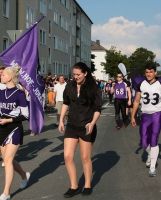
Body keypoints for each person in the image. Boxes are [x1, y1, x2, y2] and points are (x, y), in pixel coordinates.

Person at [58, 62, 102, 198]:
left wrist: (93, 123)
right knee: (67, 156)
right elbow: (66, 102)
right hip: (71, 125)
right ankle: (74, 186)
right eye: (74, 74)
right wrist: (61, 120)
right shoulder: (70, 86)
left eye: (78, 74)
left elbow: (97, 108)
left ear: (85, 73)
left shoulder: (93, 87)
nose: (75, 77)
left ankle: (87, 184)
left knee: (85, 157)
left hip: (86, 126)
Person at [0, 66, 30, 200]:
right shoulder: (1, 92)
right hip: (3, 129)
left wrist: (8, 120)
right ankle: (24, 175)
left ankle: (6, 193)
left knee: (7, 160)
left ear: (10, 77)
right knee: (8, 160)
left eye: (3, 74)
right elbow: (0, 112)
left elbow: (26, 115)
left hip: (15, 129)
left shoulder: (19, 94)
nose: (0, 75)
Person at [131, 63, 161, 177]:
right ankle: (150, 155)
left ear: (155, 72)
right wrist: (133, 115)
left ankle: (153, 167)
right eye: (147, 72)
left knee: (154, 140)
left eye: (151, 72)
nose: (148, 74)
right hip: (144, 115)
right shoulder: (140, 83)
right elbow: (136, 101)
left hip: (156, 115)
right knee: (144, 142)